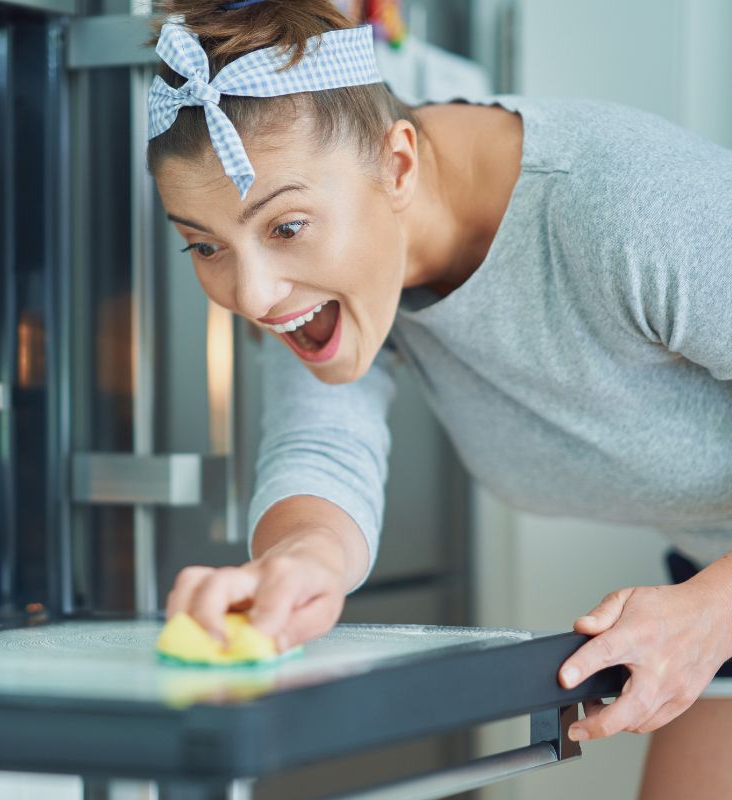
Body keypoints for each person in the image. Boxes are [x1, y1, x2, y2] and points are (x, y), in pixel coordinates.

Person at [145, 1, 732, 797]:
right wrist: (297, 565)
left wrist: (708, 614)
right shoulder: (346, 274)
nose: (250, 292)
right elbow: (323, 447)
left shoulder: (628, 208)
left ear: (398, 165)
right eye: (206, 244)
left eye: (284, 227)